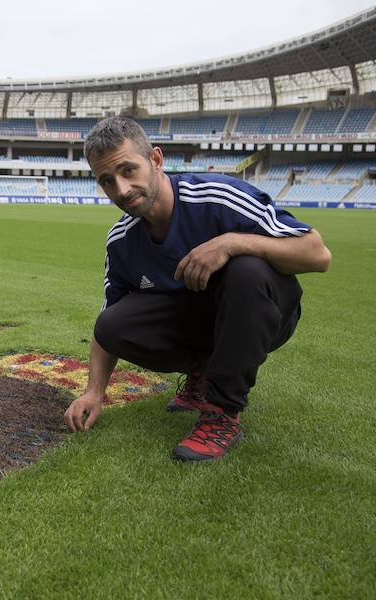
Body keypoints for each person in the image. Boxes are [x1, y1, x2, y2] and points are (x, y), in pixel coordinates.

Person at [63, 117, 331, 462]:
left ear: (155, 160)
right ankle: (202, 374)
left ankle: (221, 414)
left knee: (245, 270)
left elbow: (317, 254)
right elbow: (108, 321)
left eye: (128, 170)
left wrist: (232, 243)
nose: (122, 189)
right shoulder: (122, 240)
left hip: (266, 309)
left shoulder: (218, 197)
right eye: (107, 181)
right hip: (199, 319)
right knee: (113, 325)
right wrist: (94, 392)